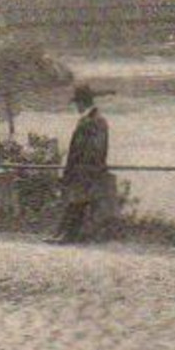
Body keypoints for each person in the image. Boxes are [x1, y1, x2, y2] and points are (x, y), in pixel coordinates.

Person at [50, 84, 111, 244]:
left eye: (77, 103)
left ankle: (67, 235)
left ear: (82, 103)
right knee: (76, 202)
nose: (76, 107)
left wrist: (83, 168)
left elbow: (95, 149)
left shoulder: (95, 121)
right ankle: (64, 234)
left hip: (86, 169)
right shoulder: (91, 120)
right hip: (83, 169)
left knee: (77, 202)